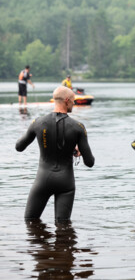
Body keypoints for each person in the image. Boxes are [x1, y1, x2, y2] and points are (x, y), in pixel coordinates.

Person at [15, 86, 95, 221]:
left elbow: (19, 147)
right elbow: (90, 162)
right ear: (67, 100)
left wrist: (41, 137)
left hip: (42, 180)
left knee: (30, 221)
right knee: (63, 227)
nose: (74, 104)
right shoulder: (78, 127)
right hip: (66, 183)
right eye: (73, 101)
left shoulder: (38, 122)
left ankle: (37, 240)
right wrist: (77, 149)